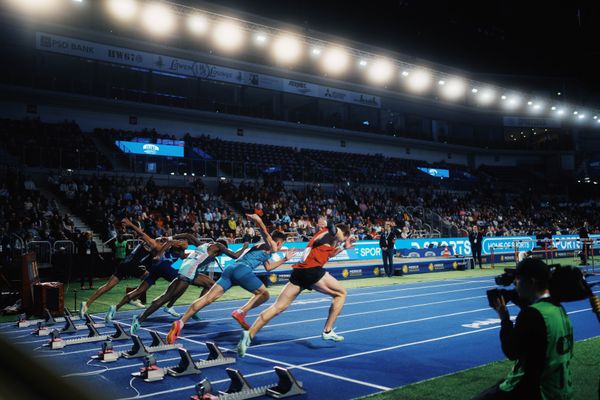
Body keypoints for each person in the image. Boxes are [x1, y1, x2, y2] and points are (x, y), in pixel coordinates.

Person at [166, 213, 297, 344]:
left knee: (208, 298)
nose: (279, 247)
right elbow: (266, 234)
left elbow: (268, 267)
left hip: (231, 270)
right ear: (279, 242)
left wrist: (285, 259)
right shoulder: (272, 245)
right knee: (264, 294)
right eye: (281, 244)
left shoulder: (263, 249)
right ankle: (241, 312)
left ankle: (180, 322)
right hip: (242, 270)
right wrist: (259, 221)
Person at [237, 219, 354, 357]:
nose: (341, 241)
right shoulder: (328, 234)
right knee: (341, 294)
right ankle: (327, 331)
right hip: (311, 271)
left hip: (299, 272)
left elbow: (331, 253)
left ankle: (248, 336)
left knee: (277, 307)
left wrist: (344, 247)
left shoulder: (325, 241)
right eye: (344, 238)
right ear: (345, 234)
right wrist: (331, 225)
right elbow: (336, 233)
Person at [473, 258, 573, 400]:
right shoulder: (558, 309)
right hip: (559, 389)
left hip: (535, 389)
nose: (515, 283)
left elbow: (511, 351)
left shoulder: (531, 314)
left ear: (531, 282)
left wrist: (504, 318)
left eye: (518, 280)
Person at [129, 238, 247, 334]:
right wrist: (245, 247)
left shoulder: (204, 245)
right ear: (221, 247)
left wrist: (171, 238)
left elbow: (188, 235)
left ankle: (195, 308)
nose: (221, 253)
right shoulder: (219, 246)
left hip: (190, 270)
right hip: (188, 272)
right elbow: (235, 256)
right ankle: (139, 320)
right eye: (222, 251)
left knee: (210, 284)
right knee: (166, 297)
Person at [80, 218, 160, 317]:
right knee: (150, 278)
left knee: (107, 286)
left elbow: (144, 240)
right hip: (132, 265)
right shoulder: (153, 242)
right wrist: (131, 225)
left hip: (124, 263)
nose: (162, 240)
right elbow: (142, 235)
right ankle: (134, 299)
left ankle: (86, 304)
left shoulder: (146, 243)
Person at [104, 239, 188, 322]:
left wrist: (159, 254)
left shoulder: (169, 249)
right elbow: (176, 247)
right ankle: (169, 306)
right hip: (165, 269)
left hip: (155, 268)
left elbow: (170, 244)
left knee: (139, 290)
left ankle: (115, 308)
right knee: (183, 283)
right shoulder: (179, 249)